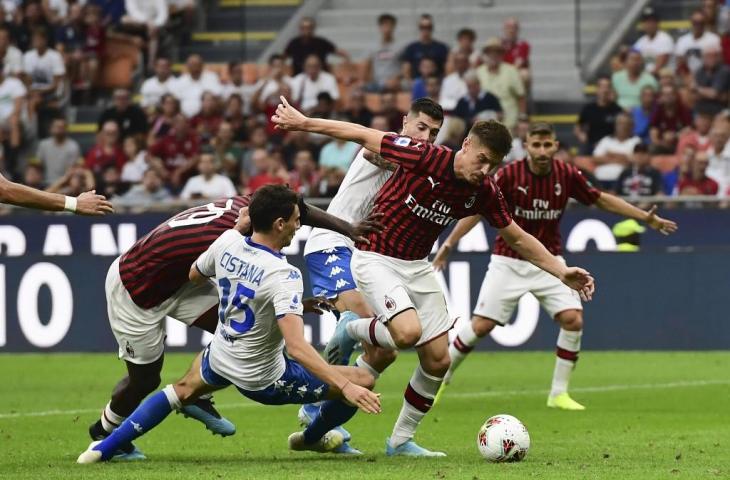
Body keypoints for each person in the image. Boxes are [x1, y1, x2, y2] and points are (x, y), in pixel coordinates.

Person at [272, 97, 595, 456]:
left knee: (437, 358)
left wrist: (561, 270)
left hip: (416, 265)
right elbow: (361, 133)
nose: (484, 170)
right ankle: (351, 331)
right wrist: (303, 123)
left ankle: (399, 440)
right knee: (406, 334)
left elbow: (516, 236)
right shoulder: (423, 156)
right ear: (466, 145)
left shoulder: (483, 191)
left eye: (493, 165)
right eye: (481, 160)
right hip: (374, 256)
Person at [77, 185, 382, 463]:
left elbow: (195, 275)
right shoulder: (285, 275)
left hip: (218, 358)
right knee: (363, 382)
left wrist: (238, 260)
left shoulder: (229, 239)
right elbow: (297, 347)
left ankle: (104, 447)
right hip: (261, 377)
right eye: (295, 220)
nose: (299, 224)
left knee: (176, 391)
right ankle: (311, 438)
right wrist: (346, 387)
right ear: (279, 223)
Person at [432, 123, 677, 410]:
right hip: (508, 261)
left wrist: (644, 218)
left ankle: (559, 394)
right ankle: (440, 379)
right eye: (536, 145)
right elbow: (477, 213)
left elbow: (600, 199)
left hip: (549, 262)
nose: (542, 151)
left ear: (556, 146)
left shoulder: (566, 174)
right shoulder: (509, 175)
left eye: (547, 145)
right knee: (481, 326)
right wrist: (449, 244)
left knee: (573, 319)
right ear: (527, 146)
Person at [298, 98, 443, 454]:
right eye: (421, 127)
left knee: (383, 352)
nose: (426, 138)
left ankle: (321, 427)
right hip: (331, 242)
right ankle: (313, 402)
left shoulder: (420, 162)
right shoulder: (386, 146)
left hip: (366, 253)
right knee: (358, 318)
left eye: (434, 134)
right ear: (405, 122)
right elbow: (375, 150)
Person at [475, 37, 525, 130]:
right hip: (484, 125)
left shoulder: (511, 71)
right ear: (485, 54)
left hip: (508, 124)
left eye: (497, 52)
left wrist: (521, 118)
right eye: (490, 52)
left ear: (502, 54)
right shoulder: (479, 72)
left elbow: (521, 96)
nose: (494, 55)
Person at [284, 16, 351, 76]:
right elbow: (282, 58)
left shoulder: (321, 42)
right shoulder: (293, 43)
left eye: (309, 27)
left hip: (320, 78)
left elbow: (343, 54)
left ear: (313, 28)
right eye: (303, 27)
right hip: (299, 78)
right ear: (300, 28)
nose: (306, 30)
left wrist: (343, 66)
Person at [574, 77, 623, 155]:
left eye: (607, 87)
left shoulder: (617, 110)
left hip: (612, 147)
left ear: (611, 90)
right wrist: (581, 135)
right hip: (592, 145)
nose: (605, 90)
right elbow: (578, 127)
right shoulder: (588, 108)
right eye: (602, 87)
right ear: (597, 89)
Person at [593, 112, 642, 190]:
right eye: (619, 123)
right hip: (600, 179)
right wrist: (622, 158)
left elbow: (634, 160)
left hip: (622, 182)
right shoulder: (606, 140)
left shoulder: (636, 141)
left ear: (631, 126)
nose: (622, 126)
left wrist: (610, 154)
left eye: (625, 124)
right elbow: (596, 159)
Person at [675, 9, 721, 76]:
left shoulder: (714, 39)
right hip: (687, 76)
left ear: (705, 23)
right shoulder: (682, 40)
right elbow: (679, 63)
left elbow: (718, 62)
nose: (698, 25)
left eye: (701, 22)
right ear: (691, 22)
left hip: (709, 76)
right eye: (695, 22)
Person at [36, 117, 81, 184]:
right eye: (57, 126)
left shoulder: (73, 146)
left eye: (62, 127)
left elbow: (73, 168)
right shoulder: (43, 145)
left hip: (65, 183)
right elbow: (39, 166)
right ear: (51, 129)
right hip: (45, 183)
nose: (59, 129)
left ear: (66, 129)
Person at [364, 13, 401, 92]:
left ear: (394, 27)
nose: (387, 28)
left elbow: (404, 69)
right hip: (377, 84)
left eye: (390, 25)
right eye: (384, 25)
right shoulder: (372, 48)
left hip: (394, 82)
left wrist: (396, 78)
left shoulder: (400, 47)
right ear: (380, 27)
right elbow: (367, 67)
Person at [633, 7, 674, 76]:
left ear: (657, 23)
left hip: (662, 78)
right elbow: (633, 57)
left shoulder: (665, 39)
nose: (649, 25)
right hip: (646, 78)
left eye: (652, 21)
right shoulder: (641, 41)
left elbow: (659, 66)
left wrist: (643, 79)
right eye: (646, 21)